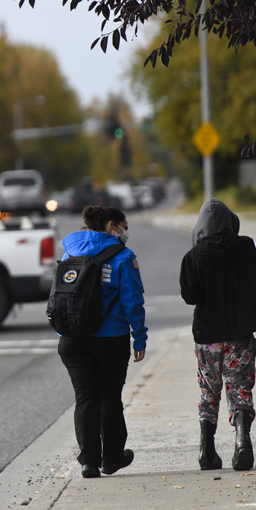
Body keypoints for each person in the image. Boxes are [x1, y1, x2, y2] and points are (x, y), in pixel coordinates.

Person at [57, 205, 148, 479]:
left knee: (85, 398)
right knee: (110, 397)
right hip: (110, 338)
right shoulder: (123, 256)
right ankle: (111, 459)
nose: (125, 232)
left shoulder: (69, 253)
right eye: (124, 226)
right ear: (112, 225)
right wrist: (140, 337)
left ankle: (88, 462)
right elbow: (133, 301)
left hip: (72, 339)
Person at [179, 198, 256, 471]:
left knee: (209, 391)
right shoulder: (245, 247)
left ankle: (207, 451)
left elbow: (189, 296)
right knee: (239, 387)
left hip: (208, 338)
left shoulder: (193, 257)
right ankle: (242, 441)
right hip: (240, 334)